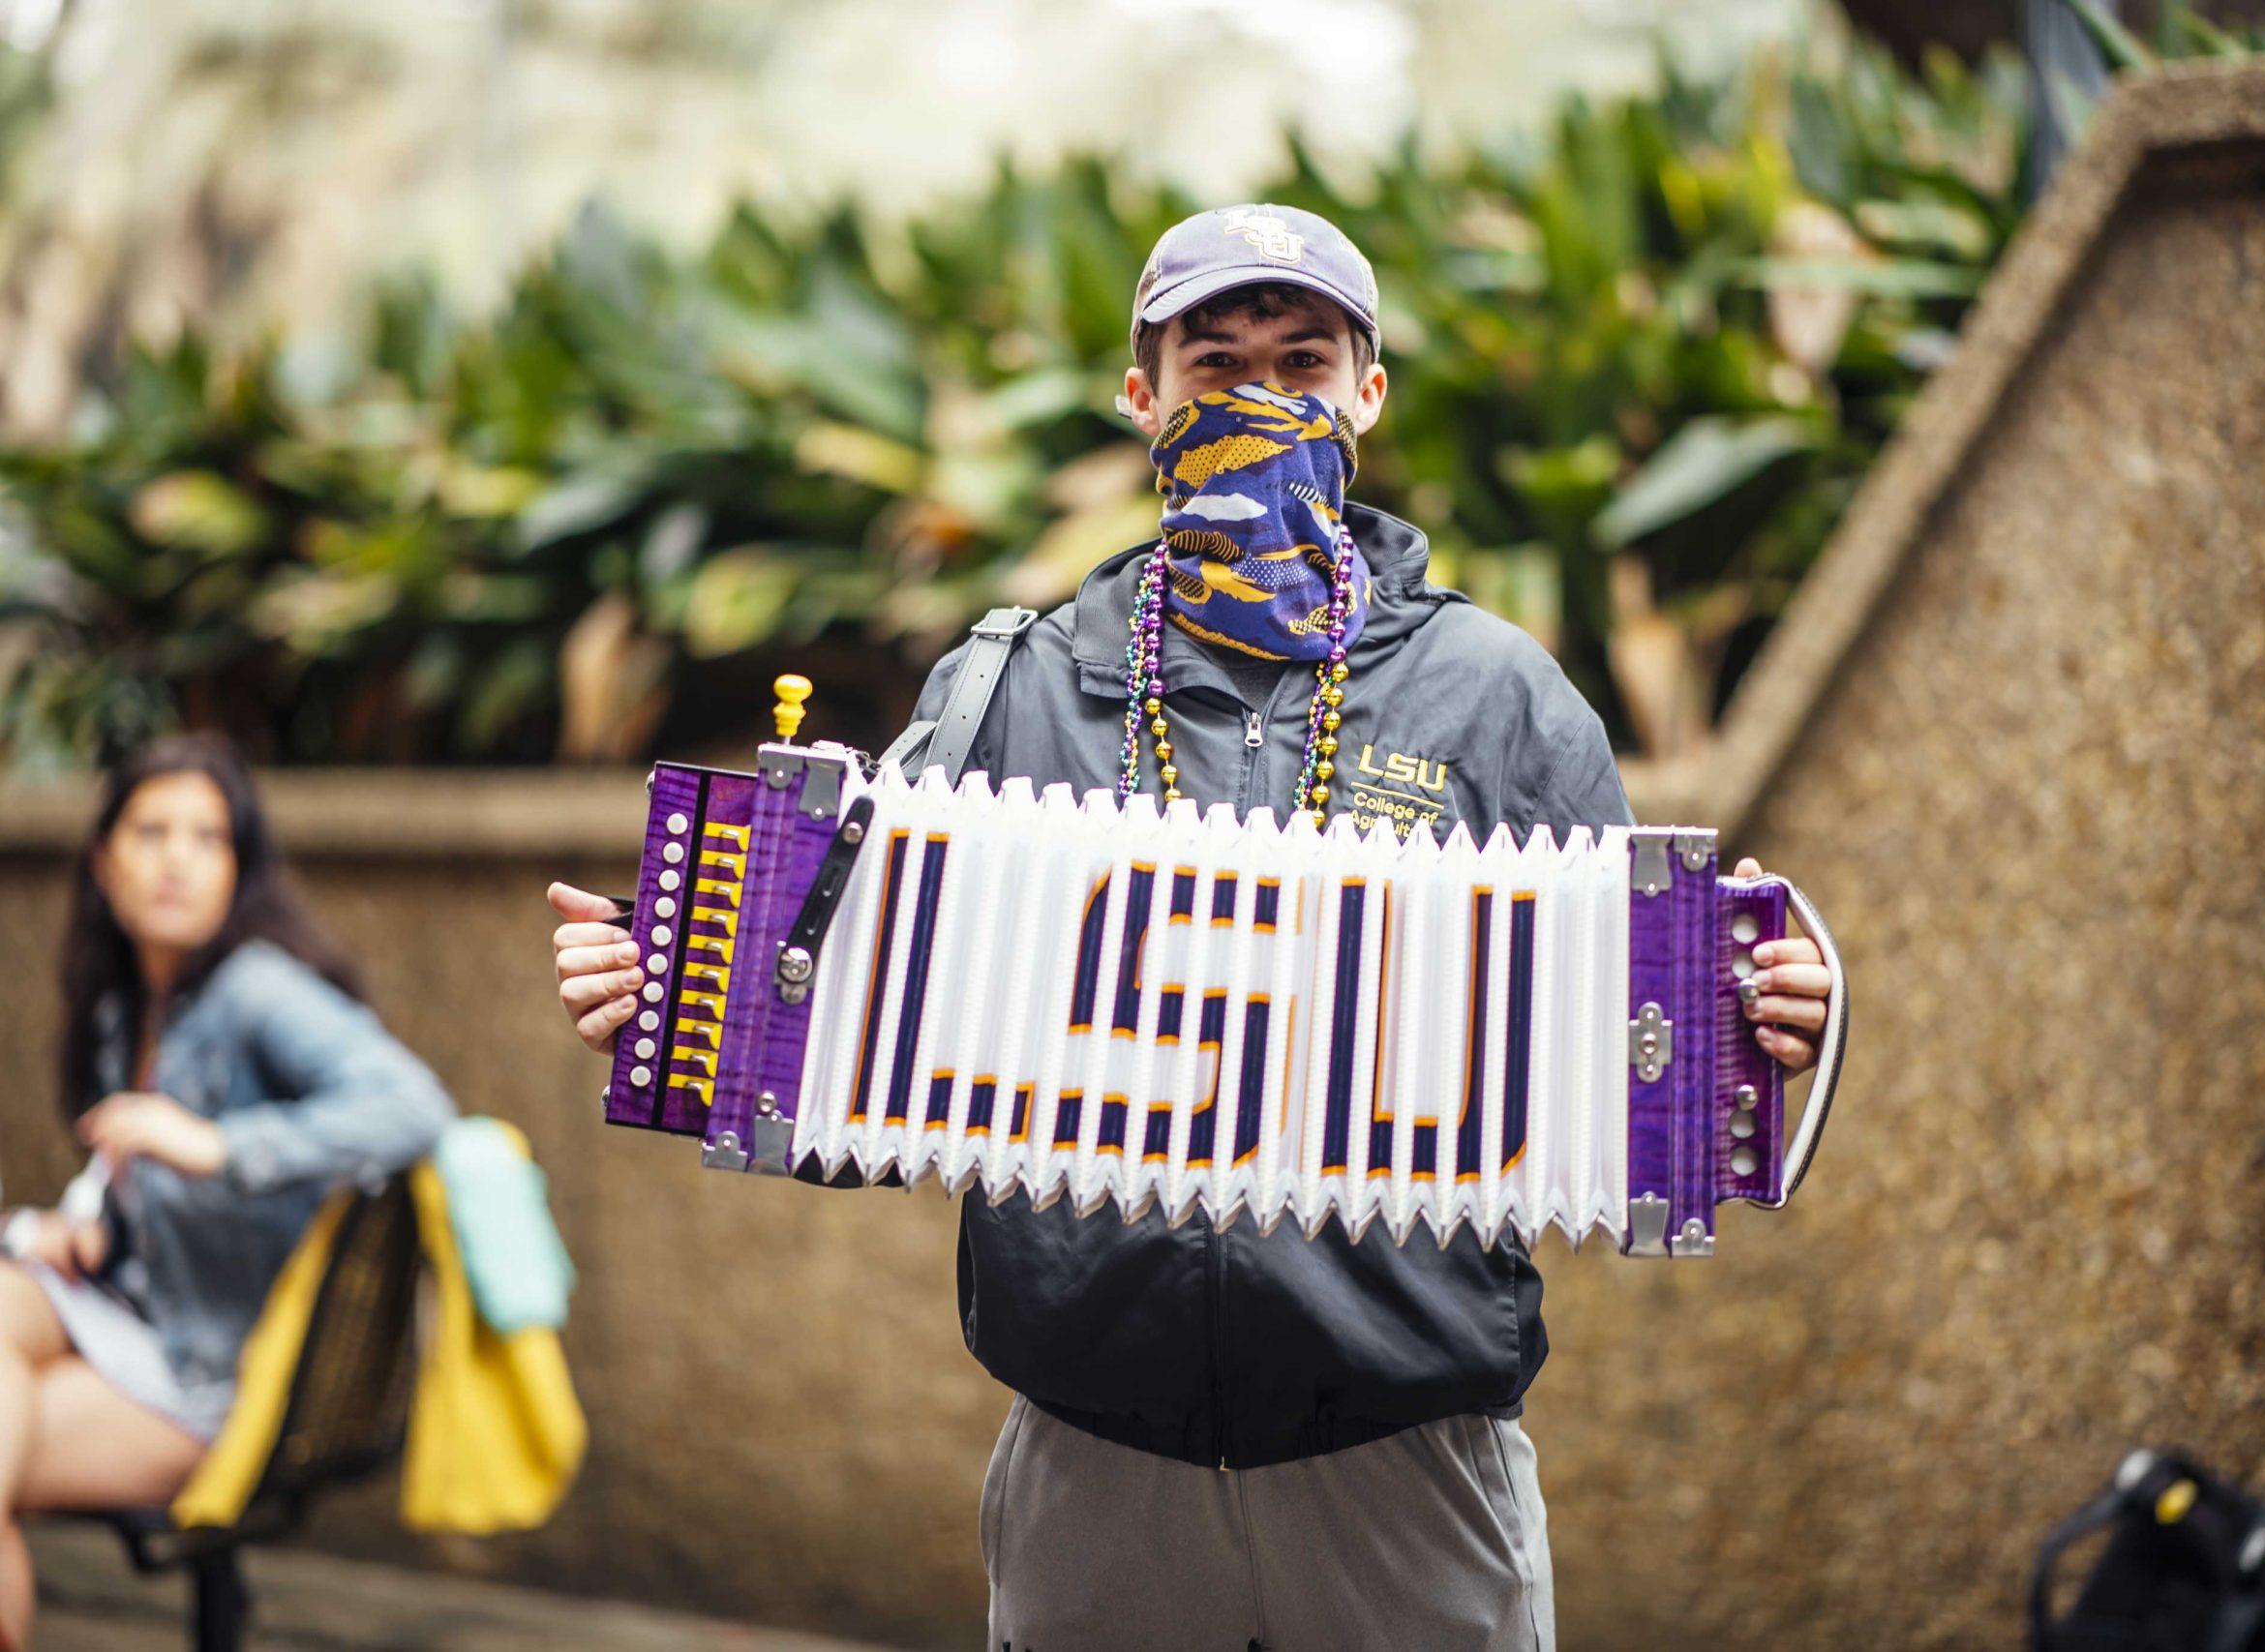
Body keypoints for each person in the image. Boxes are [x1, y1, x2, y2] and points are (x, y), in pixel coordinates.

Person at [549, 203, 1837, 1651]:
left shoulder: (1499, 692)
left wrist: (1760, 1016)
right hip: (1091, 1458)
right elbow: (843, 1031)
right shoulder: (1009, 688)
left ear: (1369, 395)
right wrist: (685, 993)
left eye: (1302, 362)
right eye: (1214, 364)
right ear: (1141, 396)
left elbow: (1638, 1030)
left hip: (1413, 1459)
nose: (1259, 398)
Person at [0, 734, 454, 1650]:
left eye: (208, 837)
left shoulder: (258, 988)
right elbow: (138, 1192)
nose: (178, 859)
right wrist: (92, 1230)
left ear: (239, 866)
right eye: (152, 831)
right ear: (103, 860)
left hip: (218, 1376)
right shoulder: (125, 1004)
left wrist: (215, 1144)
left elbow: (415, 1105)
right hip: (135, 1313)